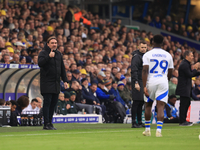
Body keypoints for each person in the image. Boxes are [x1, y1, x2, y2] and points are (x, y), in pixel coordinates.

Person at [142, 35, 174, 137]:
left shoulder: (147, 54)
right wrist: (166, 80)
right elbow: (170, 71)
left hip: (151, 80)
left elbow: (145, 71)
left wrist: (144, 86)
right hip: (163, 80)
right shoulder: (168, 55)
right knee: (161, 106)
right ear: (163, 43)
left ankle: (147, 130)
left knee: (148, 104)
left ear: (152, 42)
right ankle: (158, 131)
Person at [38, 36, 68, 130]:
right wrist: (48, 57)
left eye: (55, 43)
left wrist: (65, 80)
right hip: (46, 82)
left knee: (53, 103)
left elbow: (62, 68)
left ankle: (50, 123)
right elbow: (40, 63)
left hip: (56, 83)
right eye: (52, 43)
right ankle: (46, 123)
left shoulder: (59, 54)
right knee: (47, 103)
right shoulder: (43, 53)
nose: (54, 44)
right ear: (48, 44)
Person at [175, 51, 200, 126]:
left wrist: (197, 71)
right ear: (187, 56)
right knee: (184, 104)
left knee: (186, 104)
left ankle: (184, 120)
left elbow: (190, 73)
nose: (193, 57)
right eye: (191, 56)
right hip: (184, 88)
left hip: (186, 88)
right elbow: (190, 74)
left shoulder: (186, 64)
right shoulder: (184, 64)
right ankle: (182, 121)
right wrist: (195, 69)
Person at [131, 41, 147, 128]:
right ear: (138, 47)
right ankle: (134, 122)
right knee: (136, 102)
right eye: (142, 47)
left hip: (143, 81)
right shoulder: (136, 57)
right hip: (138, 81)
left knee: (141, 102)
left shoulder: (144, 56)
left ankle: (140, 121)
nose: (143, 49)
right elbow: (134, 70)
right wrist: (136, 82)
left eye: (145, 47)